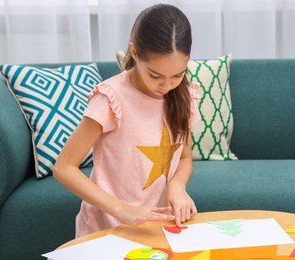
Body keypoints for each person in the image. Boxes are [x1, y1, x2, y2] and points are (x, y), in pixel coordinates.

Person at [53, 3, 201, 238]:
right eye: (155, 75)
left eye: (177, 75)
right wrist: (122, 209)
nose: (166, 86)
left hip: (157, 230)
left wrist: (178, 186)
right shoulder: (112, 98)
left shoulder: (183, 95)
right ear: (134, 52)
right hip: (107, 230)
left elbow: (184, 158)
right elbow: (64, 168)